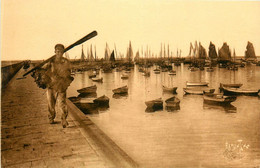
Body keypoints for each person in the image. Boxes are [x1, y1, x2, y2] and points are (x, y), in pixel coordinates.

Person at [41, 44, 74, 128]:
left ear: (63, 52)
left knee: (62, 104)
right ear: (55, 52)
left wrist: (64, 79)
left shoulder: (66, 62)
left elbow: (69, 72)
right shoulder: (51, 62)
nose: (59, 53)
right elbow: (43, 70)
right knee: (51, 104)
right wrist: (45, 66)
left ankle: (63, 119)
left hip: (61, 86)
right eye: (57, 51)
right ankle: (51, 117)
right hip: (51, 86)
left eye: (61, 51)